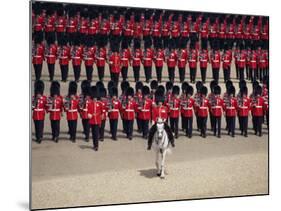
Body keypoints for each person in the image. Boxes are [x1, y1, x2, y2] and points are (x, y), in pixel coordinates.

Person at [88, 86, 103, 151]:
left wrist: (101, 116)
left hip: (97, 120)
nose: (95, 99)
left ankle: (96, 146)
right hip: (92, 120)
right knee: (94, 134)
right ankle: (94, 145)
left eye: (96, 98)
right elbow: (88, 111)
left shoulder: (99, 104)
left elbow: (102, 111)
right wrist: (90, 115)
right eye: (94, 98)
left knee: (96, 133)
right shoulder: (90, 104)